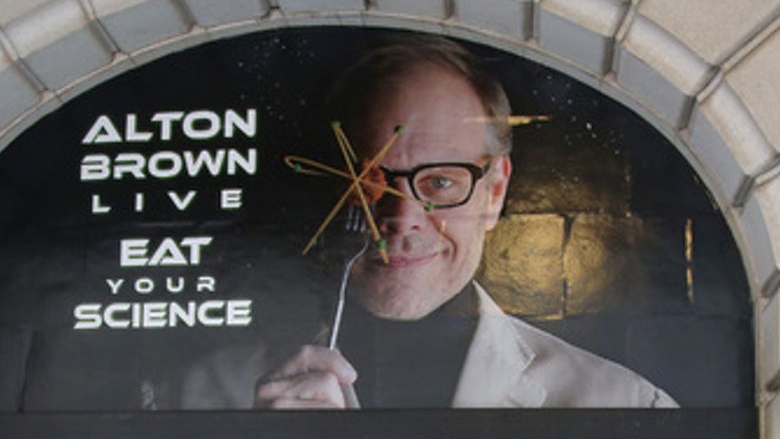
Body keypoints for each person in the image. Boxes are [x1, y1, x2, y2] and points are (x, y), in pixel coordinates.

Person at [190, 36, 676, 410]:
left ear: (495, 191)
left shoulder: (624, 405)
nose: (402, 219)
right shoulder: (201, 395)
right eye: (368, 180)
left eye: (441, 182)